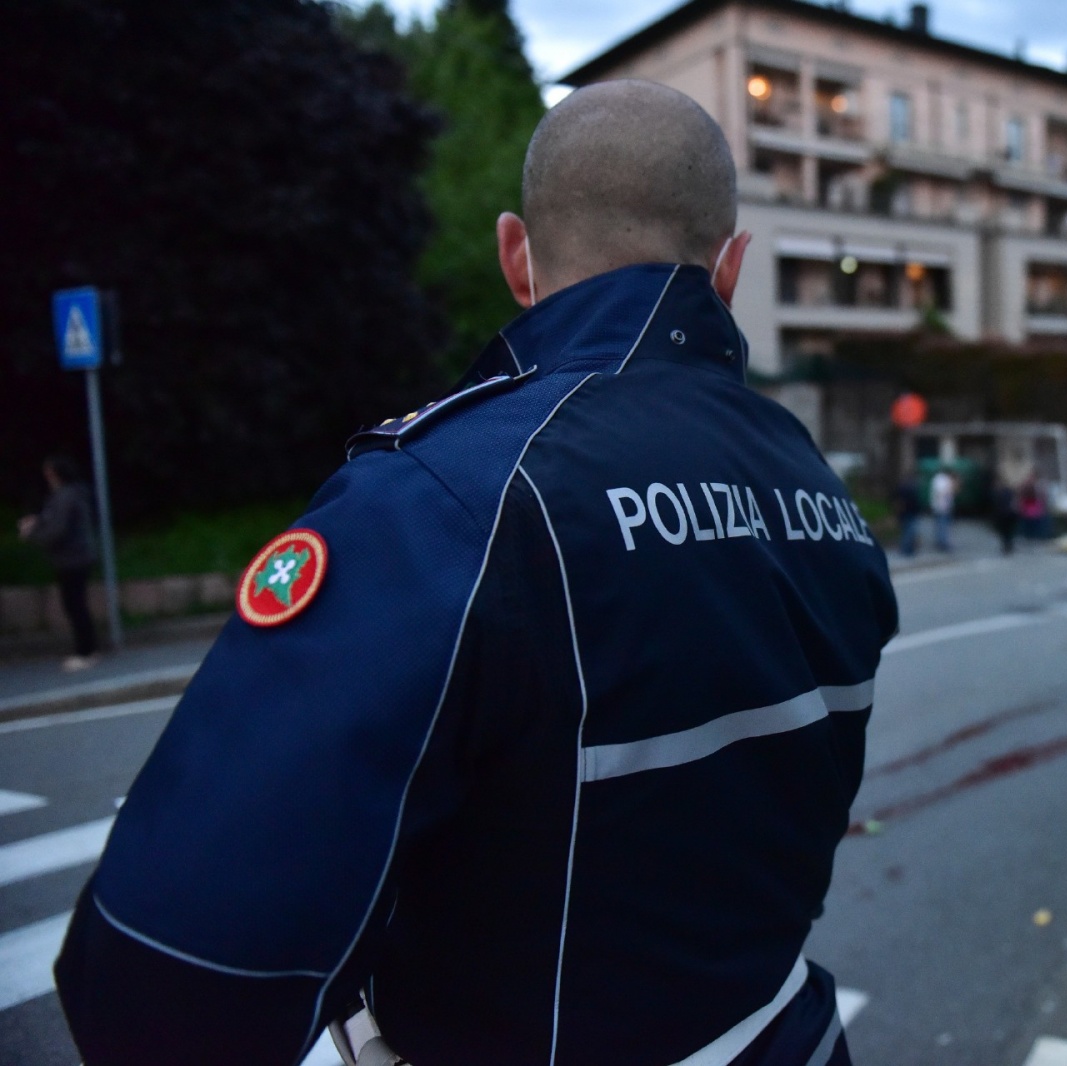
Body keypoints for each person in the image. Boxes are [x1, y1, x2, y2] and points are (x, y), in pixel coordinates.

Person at [55, 81, 897, 1066]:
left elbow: (163, 972)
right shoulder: (819, 489)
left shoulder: (449, 495)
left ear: (515, 257)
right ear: (732, 267)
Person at [18, 456, 99, 671]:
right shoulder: (69, 494)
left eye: (49, 472)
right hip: (74, 556)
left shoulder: (65, 496)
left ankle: (86, 651)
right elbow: (55, 521)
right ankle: (87, 649)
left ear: (56, 474)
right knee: (75, 603)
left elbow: (58, 529)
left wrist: (32, 532)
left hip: (72, 558)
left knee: (74, 604)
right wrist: (38, 522)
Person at [893, 473, 922, 556]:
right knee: (909, 532)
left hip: (906, 512)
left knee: (906, 531)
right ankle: (906, 549)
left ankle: (907, 549)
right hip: (910, 512)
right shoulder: (909, 489)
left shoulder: (901, 488)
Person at [929, 465, 957, 551]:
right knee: (943, 525)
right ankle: (943, 544)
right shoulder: (943, 480)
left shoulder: (937, 479)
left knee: (940, 525)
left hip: (939, 506)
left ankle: (940, 542)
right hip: (943, 506)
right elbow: (943, 492)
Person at [991, 480, 1018, 555]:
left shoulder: (998, 493)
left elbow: (996, 505)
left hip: (1003, 515)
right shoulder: (1010, 492)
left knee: (1004, 532)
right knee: (1009, 532)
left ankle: (1006, 545)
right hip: (1010, 514)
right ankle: (1009, 545)